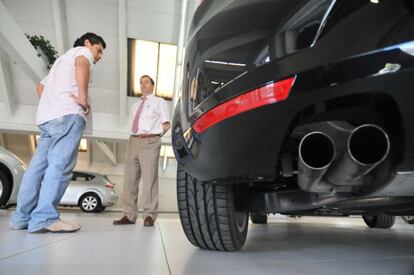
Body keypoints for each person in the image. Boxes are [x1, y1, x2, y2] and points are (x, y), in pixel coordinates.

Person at [9, 32, 106, 233]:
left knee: (36, 168)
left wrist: (52, 104)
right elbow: (83, 63)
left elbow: (40, 86)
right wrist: (82, 96)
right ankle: (44, 217)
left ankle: (21, 217)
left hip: (48, 118)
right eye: (98, 51)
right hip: (68, 115)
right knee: (60, 167)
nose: (98, 57)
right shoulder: (81, 52)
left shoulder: (60, 62)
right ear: (88, 43)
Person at [113, 75, 170, 227]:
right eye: (141, 82)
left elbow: (166, 124)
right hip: (133, 140)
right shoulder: (134, 106)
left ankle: (149, 215)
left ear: (152, 85)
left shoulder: (159, 102)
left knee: (149, 179)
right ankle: (129, 215)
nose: (143, 84)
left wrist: (155, 136)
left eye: (146, 82)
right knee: (130, 180)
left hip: (150, 141)